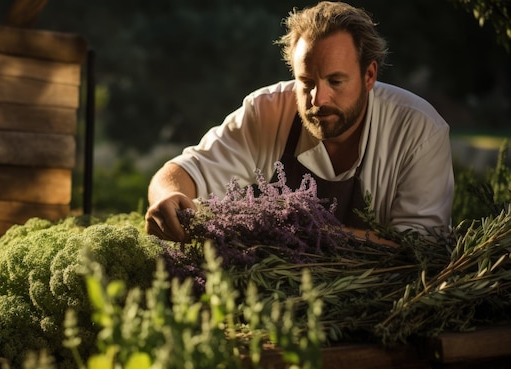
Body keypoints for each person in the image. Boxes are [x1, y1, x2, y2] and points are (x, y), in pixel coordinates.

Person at [145, 1, 454, 244]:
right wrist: (168, 198)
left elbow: (418, 247)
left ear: (369, 75)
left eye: (335, 81)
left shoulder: (419, 131)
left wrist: (300, 234)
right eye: (306, 82)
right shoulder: (267, 111)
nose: (318, 99)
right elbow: (184, 170)